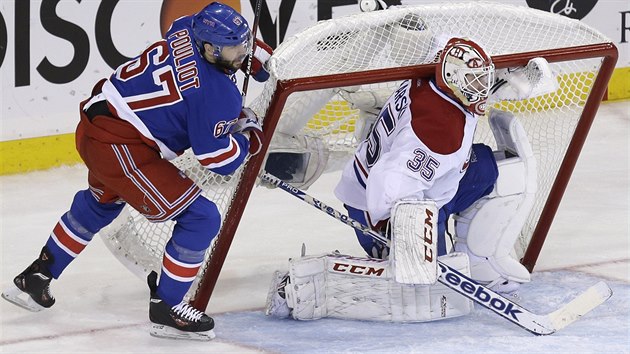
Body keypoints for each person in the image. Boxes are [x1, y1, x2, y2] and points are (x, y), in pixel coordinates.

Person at [1, 2, 272, 341]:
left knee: (101, 203)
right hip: (121, 147)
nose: (240, 53)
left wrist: (255, 57)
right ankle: (167, 308)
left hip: (95, 124)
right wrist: (248, 135)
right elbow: (217, 158)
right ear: (208, 48)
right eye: (232, 48)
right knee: (201, 218)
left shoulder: (186, 27)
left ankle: (36, 278)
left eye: (242, 44)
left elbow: (225, 50)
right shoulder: (215, 93)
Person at [265, 37, 542, 322]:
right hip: (382, 207)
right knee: (427, 296)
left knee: (488, 169)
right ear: (453, 78)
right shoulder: (439, 132)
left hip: (400, 184)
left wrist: (502, 79)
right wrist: (399, 234)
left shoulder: (432, 75)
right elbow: (389, 185)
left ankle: (479, 262)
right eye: (473, 82)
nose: (480, 89)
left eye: (481, 80)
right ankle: (305, 285)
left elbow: (455, 64)